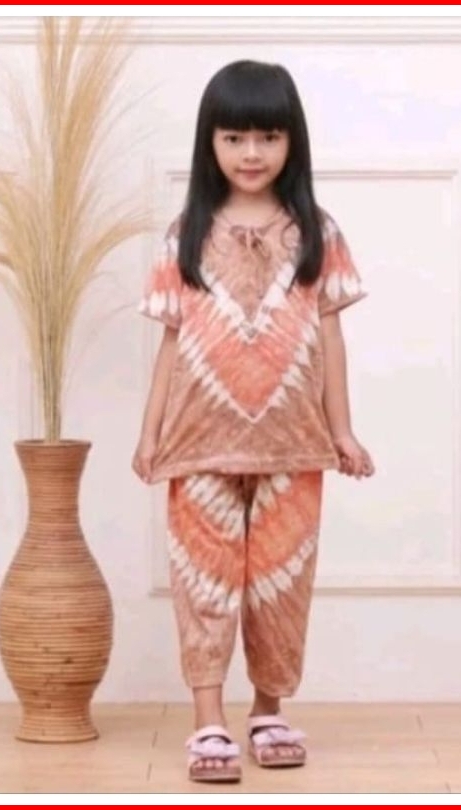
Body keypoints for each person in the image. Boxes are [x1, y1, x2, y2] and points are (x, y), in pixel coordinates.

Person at [132, 59, 375, 784]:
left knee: (280, 583)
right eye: (234, 137)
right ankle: (207, 721)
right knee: (204, 583)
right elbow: (172, 342)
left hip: (293, 445)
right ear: (209, 141)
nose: (251, 153)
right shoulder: (185, 235)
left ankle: (269, 710)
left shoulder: (316, 233)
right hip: (198, 443)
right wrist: (150, 433)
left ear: (292, 141)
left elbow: (330, 335)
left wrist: (341, 430)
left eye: (268, 136)